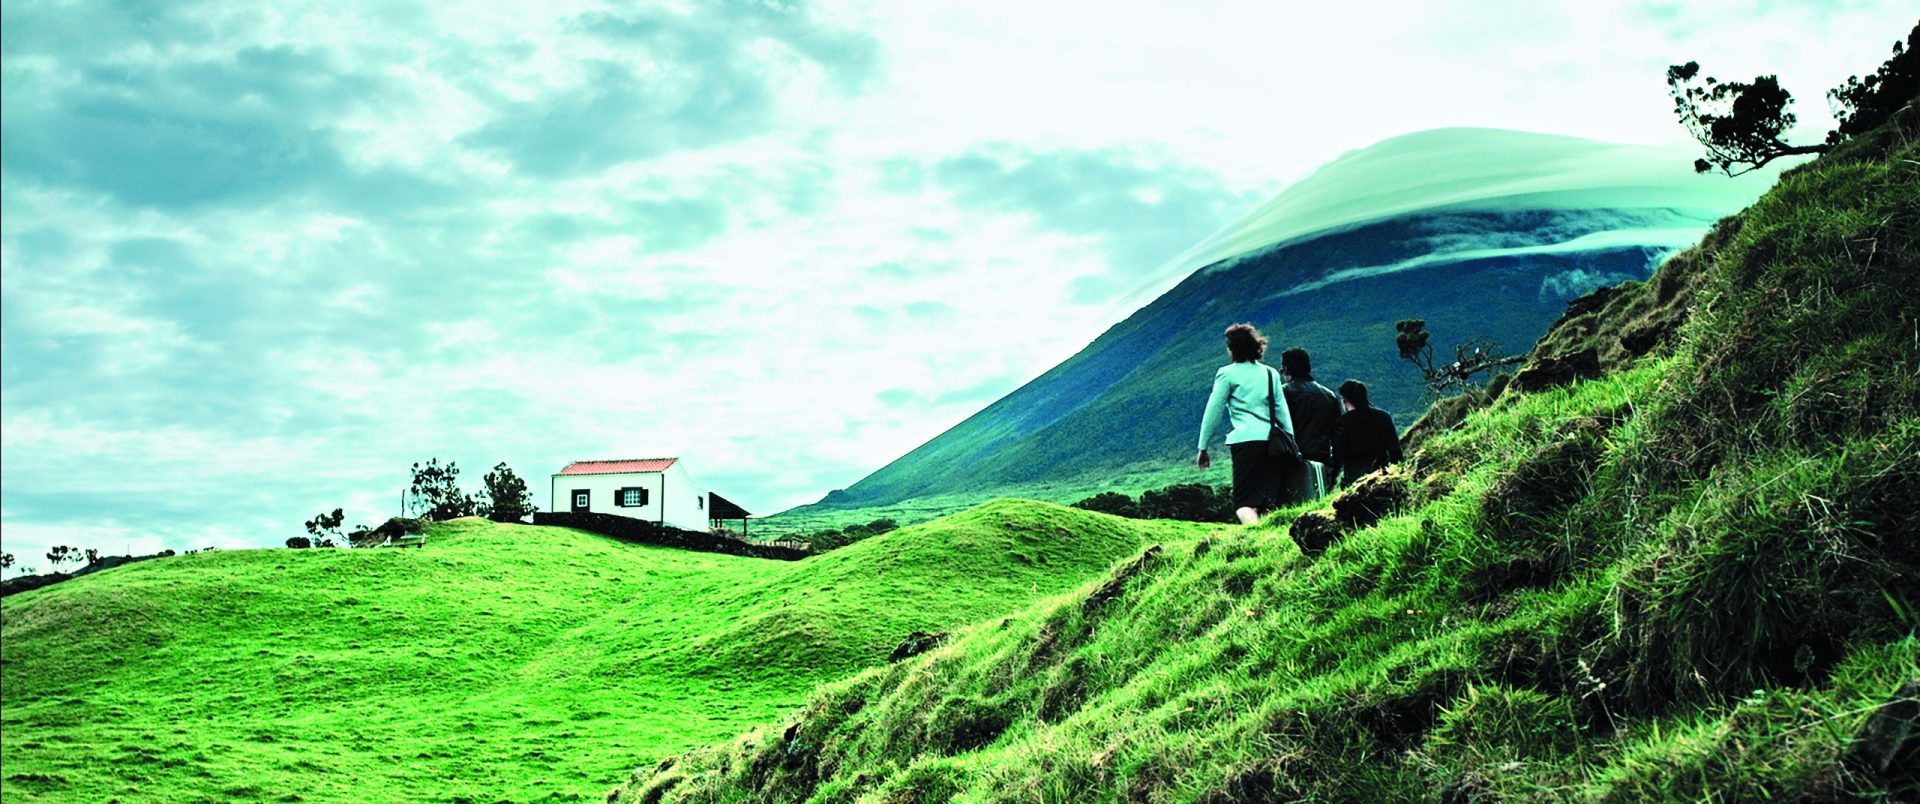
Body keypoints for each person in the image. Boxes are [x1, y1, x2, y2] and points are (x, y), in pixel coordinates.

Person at [1196, 323, 1295, 525]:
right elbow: (1282, 411)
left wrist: (1203, 447)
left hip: (1246, 444)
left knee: (1244, 503)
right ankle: (1269, 541)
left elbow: (1213, 412)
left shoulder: (1227, 374)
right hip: (1273, 443)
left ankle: (1256, 538)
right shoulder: (1270, 373)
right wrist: (1291, 441)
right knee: (1268, 502)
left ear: (1232, 349)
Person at [1279, 347, 1341, 502]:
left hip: (1293, 462)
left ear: (1287, 370)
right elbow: (1338, 436)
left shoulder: (1284, 393)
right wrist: (1335, 469)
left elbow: (1279, 430)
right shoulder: (1329, 396)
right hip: (1323, 460)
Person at [1331, 379, 1404, 488]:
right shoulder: (1383, 417)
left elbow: (1338, 455)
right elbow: (1395, 451)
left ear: (1344, 400)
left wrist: (1332, 478)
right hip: (1381, 474)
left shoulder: (1343, 422)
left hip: (1354, 478)